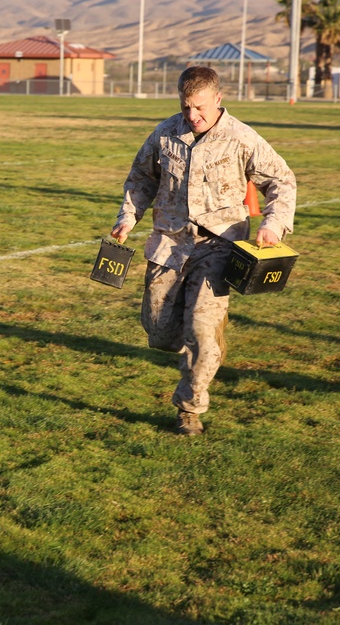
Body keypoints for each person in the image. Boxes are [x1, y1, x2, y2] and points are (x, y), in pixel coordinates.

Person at [110, 66, 296, 436]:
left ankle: (190, 409)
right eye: (185, 108)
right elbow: (141, 179)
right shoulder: (164, 134)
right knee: (160, 333)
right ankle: (201, 341)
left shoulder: (242, 138)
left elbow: (281, 181)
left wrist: (272, 225)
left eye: (200, 108)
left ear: (218, 99)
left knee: (201, 333)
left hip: (218, 246)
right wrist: (128, 218)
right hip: (169, 244)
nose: (192, 117)